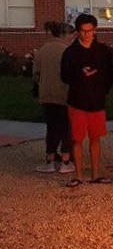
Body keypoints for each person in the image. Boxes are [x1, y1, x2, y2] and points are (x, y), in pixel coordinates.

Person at [60, 13, 113, 188]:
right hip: (77, 102)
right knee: (77, 138)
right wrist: (80, 74)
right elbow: (64, 76)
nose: (86, 34)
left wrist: (102, 90)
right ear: (78, 31)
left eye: (90, 30)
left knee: (95, 138)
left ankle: (96, 173)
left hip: (97, 102)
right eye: (83, 31)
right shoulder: (70, 53)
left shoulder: (103, 51)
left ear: (95, 30)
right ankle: (78, 175)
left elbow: (110, 75)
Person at [32, 21, 75, 175]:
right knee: (67, 129)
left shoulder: (42, 50)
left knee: (52, 129)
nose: (72, 38)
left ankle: (50, 160)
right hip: (65, 96)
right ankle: (65, 161)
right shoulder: (67, 51)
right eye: (71, 35)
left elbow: (36, 74)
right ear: (64, 34)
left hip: (47, 96)